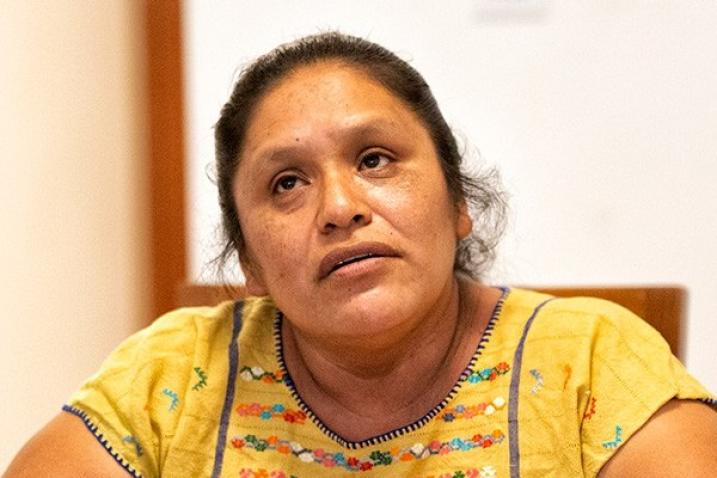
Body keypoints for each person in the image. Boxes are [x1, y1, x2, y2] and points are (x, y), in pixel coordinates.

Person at [5, 32, 717, 478]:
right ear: (249, 264)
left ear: (458, 202)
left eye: (374, 159)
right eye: (286, 183)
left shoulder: (589, 361)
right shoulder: (171, 376)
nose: (340, 207)